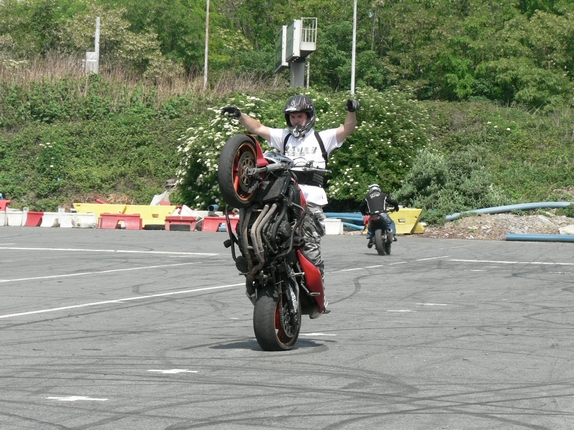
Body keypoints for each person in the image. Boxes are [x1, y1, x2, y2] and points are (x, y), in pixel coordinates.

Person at [221, 94, 360, 317]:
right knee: (252, 219)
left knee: (310, 246)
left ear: (309, 117)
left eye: (300, 116)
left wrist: (351, 111)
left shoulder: (322, 138)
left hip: (310, 199)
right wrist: (240, 116)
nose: (296, 120)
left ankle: (318, 293)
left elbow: (347, 129)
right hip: (283, 195)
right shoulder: (283, 137)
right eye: (293, 116)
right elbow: (258, 128)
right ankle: (251, 260)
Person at [359, 184, 399, 248]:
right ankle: (393, 235)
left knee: (370, 226)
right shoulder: (383, 195)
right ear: (378, 189)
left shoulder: (367, 197)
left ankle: (370, 237)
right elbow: (393, 201)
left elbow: (361, 207)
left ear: (371, 190)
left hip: (372, 215)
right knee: (390, 223)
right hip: (382, 214)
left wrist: (364, 213)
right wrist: (396, 207)